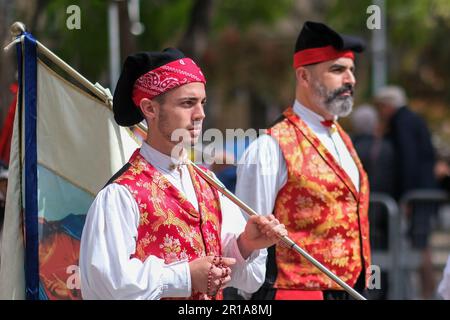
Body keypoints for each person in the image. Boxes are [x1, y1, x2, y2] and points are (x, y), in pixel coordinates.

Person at [79, 48, 287, 300]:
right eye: (187, 103)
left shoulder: (209, 183)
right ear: (150, 109)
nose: (200, 114)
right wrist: (185, 276)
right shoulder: (121, 194)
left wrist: (245, 245)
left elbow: (247, 281)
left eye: (202, 102)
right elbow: (108, 285)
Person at [235, 21, 371, 300]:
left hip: (350, 289)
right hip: (294, 293)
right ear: (304, 77)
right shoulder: (270, 147)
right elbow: (247, 236)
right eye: (337, 70)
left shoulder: (342, 138)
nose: (350, 80)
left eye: (351, 70)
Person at [374, 85, 439, 299]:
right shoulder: (414, 119)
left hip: (415, 192)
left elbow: (408, 160)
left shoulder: (402, 122)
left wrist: (406, 196)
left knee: (420, 245)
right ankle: (427, 291)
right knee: (421, 243)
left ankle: (428, 292)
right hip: (424, 189)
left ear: (388, 105)